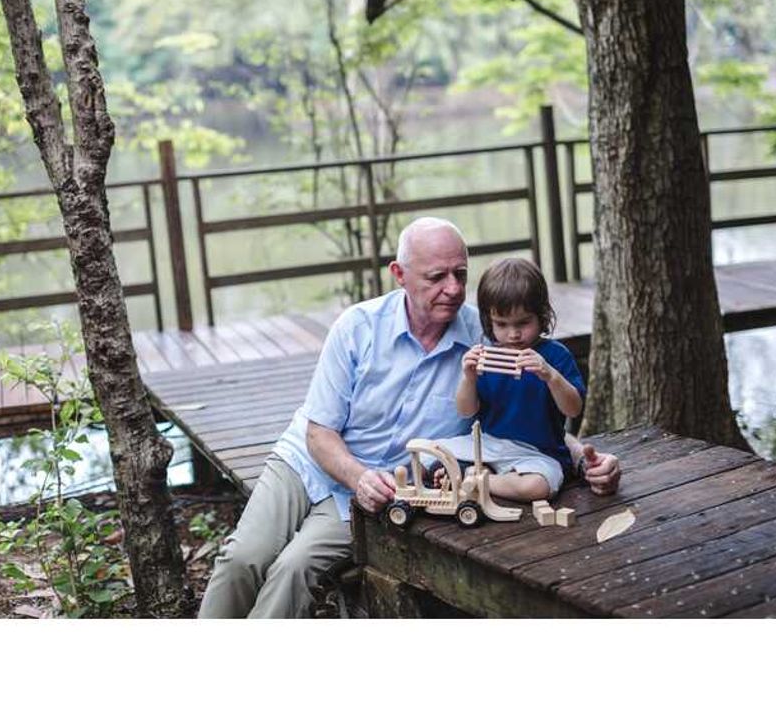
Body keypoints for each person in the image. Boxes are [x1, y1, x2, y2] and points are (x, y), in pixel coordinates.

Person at [198, 218, 621, 619]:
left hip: (381, 490)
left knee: (294, 568)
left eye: (460, 273)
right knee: (241, 558)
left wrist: (586, 460)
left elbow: (521, 422)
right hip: (308, 462)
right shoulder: (357, 328)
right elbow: (318, 432)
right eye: (436, 277)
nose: (453, 289)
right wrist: (356, 475)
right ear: (399, 274)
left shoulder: (485, 339)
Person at [431, 256, 598, 504]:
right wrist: (468, 377)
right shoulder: (486, 356)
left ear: (541, 315)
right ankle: (477, 475)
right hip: (489, 446)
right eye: (501, 324)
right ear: (489, 321)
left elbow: (573, 409)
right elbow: (466, 411)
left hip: (540, 452)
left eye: (523, 323)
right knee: (436, 459)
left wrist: (550, 375)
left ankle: (478, 481)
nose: (513, 334)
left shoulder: (554, 355)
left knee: (537, 488)